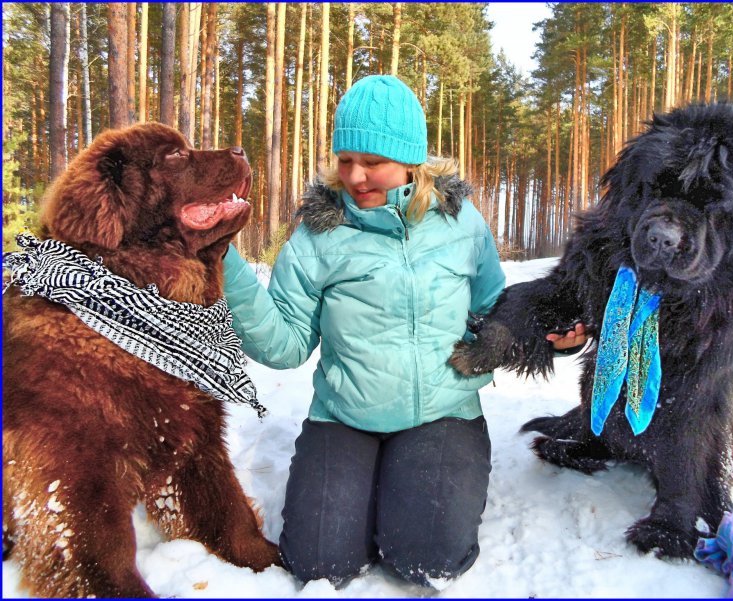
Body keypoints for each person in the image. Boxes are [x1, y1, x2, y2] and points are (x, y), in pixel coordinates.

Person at [222, 75, 583, 587]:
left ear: (411, 160)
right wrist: (223, 263)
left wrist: (554, 337)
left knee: (429, 558)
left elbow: (495, 313)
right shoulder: (319, 234)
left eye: (373, 162)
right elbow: (285, 345)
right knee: (319, 564)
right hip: (346, 416)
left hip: (441, 412)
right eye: (346, 159)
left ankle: (408, 484)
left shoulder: (461, 224)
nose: (355, 176)